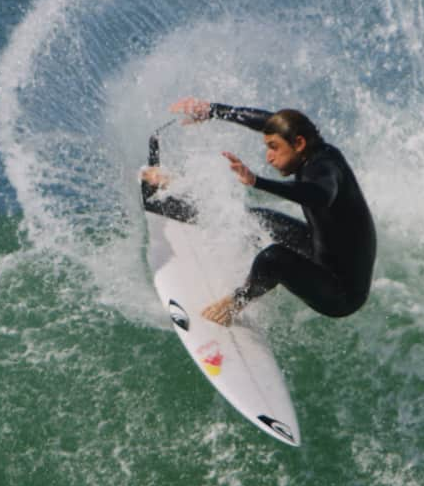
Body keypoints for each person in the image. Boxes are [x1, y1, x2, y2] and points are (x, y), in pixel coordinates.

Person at [141, 95, 376, 327]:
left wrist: (257, 181)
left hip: (340, 293)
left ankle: (235, 303)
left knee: (273, 258)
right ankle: (179, 209)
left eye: (274, 148)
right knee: (258, 218)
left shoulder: (325, 167)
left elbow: (320, 195)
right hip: (320, 251)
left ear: (299, 143)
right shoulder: (312, 149)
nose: (269, 157)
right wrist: (213, 110)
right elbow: (268, 122)